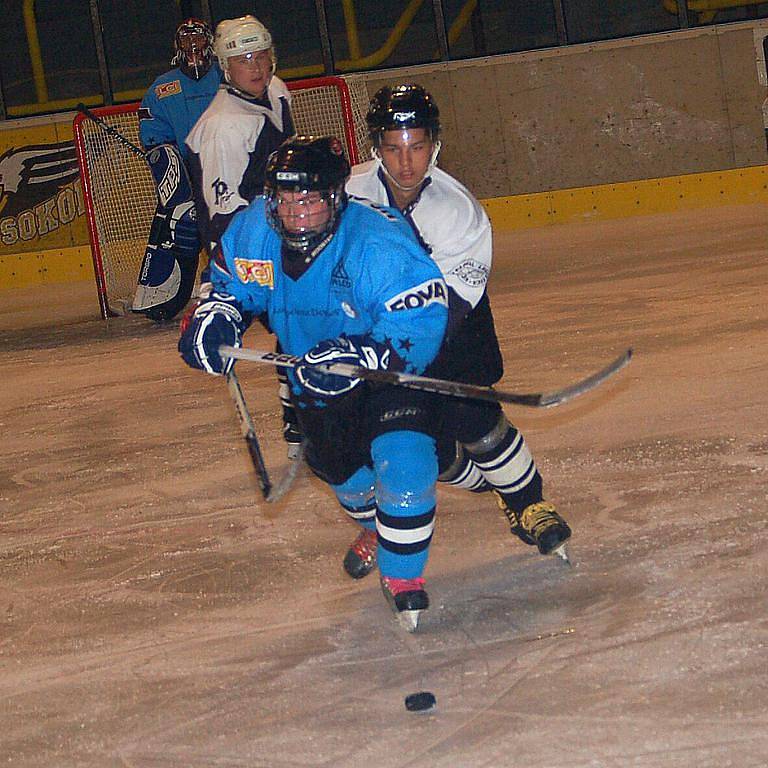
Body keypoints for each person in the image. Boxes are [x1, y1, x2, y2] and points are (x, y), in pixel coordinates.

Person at [178, 136, 448, 632]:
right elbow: (235, 287)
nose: (296, 214)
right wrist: (217, 317)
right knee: (339, 474)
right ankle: (379, 529)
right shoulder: (256, 230)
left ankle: (404, 577)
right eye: (285, 201)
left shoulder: (376, 241)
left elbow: (422, 320)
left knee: (405, 464)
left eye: (309, 201)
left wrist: (361, 355)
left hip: (386, 376)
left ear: (335, 197)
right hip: (310, 379)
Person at [341, 84, 572, 579]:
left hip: (450, 329)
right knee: (408, 438)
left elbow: (450, 307)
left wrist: (394, 349)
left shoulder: (458, 211)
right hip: (376, 335)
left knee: (476, 421)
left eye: (417, 146)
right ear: (376, 147)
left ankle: (527, 501)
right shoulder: (347, 194)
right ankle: (425, 506)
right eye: (394, 147)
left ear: (435, 145)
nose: (406, 163)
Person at [133, 18, 222, 322]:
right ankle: (170, 297)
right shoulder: (163, 87)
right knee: (181, 228)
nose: (193, 47)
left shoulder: (227, 75)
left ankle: (235, 289)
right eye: (186, 41)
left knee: (229, 230)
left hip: (228, 170)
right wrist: (164, 154)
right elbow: (152, 130)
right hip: (186, 173)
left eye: (198, 39)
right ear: (177, 47)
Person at [185, 15, 295, 257]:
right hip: (243, 243)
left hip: (281, 229)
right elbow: (223, 213)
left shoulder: (276, 90)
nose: (256, 68)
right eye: (243, 60)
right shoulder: (223, 126)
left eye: (260, 56)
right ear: (226, 66)